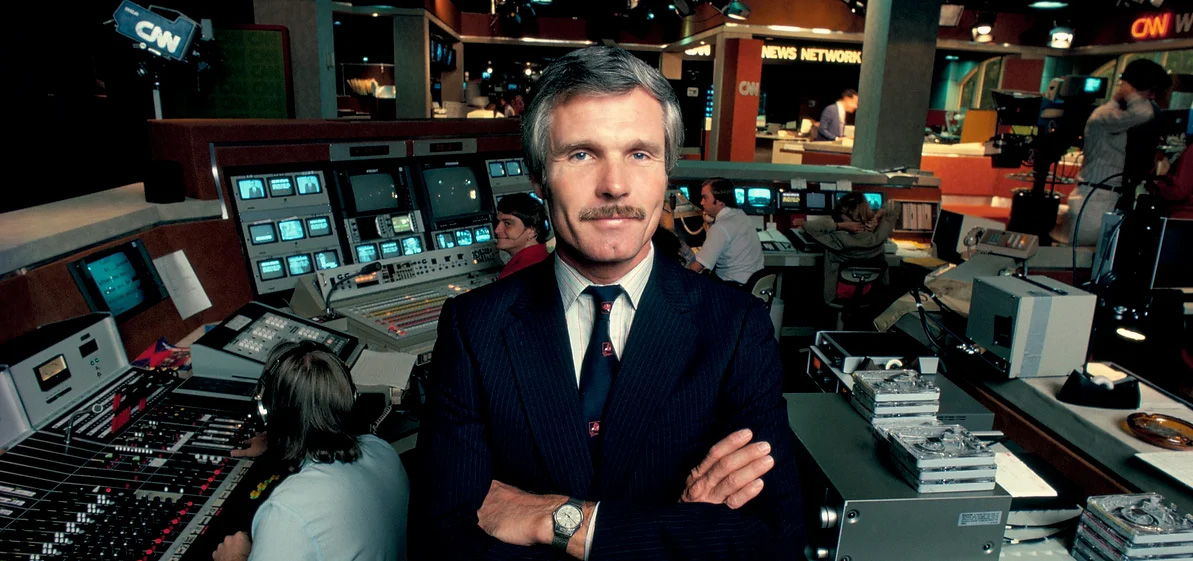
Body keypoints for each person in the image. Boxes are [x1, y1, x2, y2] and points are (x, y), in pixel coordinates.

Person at [413, 46, 805, 560]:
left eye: (640, 154)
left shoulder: (735, 327)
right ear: (538, 177)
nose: (614, 185)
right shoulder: (474, 327)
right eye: (581, 154)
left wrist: (563, 524)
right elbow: (442, 540)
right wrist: (682, 523)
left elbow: (775, 539)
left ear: (667, 172)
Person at [213, 341, 409, 561]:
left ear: (266, 412)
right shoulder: (383, 451)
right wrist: (280, 440)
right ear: (349, 397)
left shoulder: (287, 514)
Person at [1058, 59, 1171, 245]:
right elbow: (1144, 113)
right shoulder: (1105, 116)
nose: (1151, 98)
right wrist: (1129, 91)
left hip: (1115, 197)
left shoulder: (1124, 118)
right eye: (1149, 91)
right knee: (1082, 262)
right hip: (1094, 199)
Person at [803, 193, 897, 303]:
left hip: (839, 293)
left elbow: (808, 227)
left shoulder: (838, 238)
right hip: (869, 291)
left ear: (845, 211)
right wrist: (877, 216)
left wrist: (839, 225)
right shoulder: (879, 235)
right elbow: (894, 206)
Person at [689, 178, 764, 286]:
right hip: (751, 285)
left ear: (719, 201)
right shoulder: (741, 215)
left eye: (705, 198)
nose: (701, 202)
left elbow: (697, 267)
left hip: (733, 288)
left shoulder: (720, 228)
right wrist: (709, 224)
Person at [496, 192, 551, 279]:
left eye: (507, 223)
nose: (497, 230)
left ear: (531, 231)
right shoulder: (550, 260)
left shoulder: (516, 274)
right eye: (498, 222)